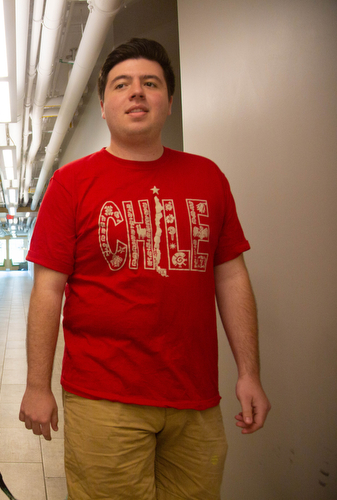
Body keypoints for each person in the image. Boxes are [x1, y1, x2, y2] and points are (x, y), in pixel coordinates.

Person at [19, 38, 270, 499]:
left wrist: (249, 372)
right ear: (103, 105)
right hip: (104, 396)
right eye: (122, 85)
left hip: (195, 399)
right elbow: (48, 289)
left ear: (169, 102)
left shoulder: (207, 177)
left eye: (150, 83)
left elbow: (231, 276)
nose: (136, 93)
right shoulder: (71, 183)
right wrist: (37, 384)